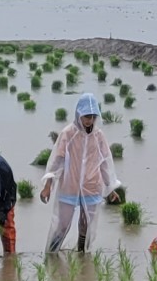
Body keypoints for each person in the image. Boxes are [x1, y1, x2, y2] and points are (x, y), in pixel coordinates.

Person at [40, 93, 120, 254]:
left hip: (92, 185)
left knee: (87, 223)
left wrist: (110, 189)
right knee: (62, 224)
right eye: (86, 117)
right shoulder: (68, 133)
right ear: (79, 115)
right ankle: (51, 254)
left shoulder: (98, 136)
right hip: (69, 185)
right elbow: (57, 161)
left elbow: (105, 162)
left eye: (92, 117)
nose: (89, 120)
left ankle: (83, 255)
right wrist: (48, 185)